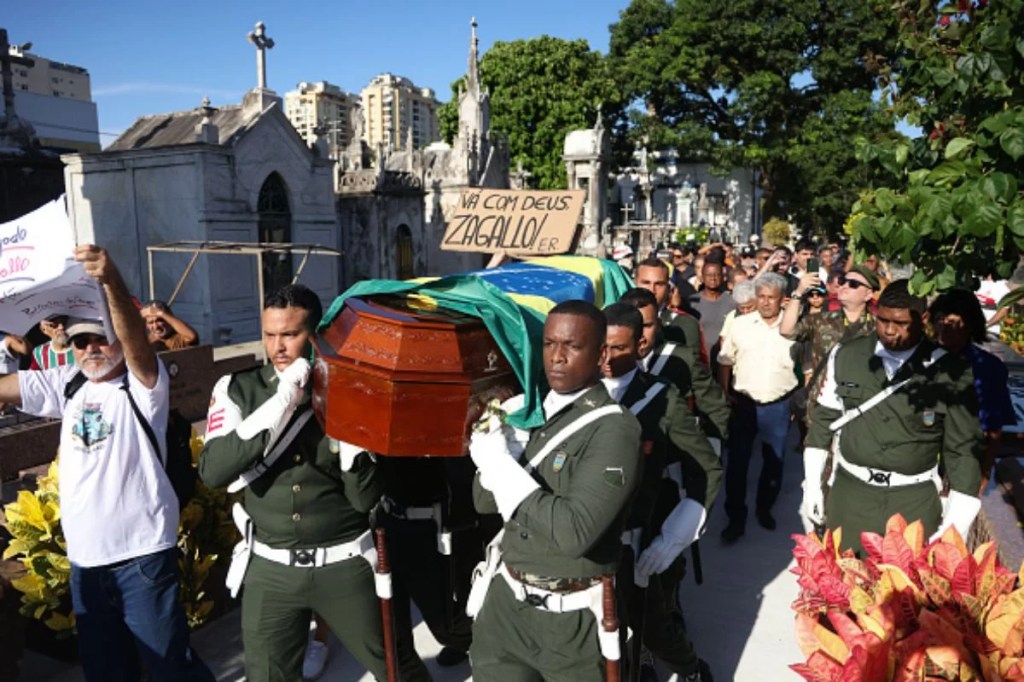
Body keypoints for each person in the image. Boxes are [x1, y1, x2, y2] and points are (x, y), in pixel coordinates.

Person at [0, 245, 215, 681]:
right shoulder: (70, 382)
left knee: (169, 667)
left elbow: (136, 344)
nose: (92, 348)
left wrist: (112, 281)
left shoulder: (142, 383)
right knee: (105, 671)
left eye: (102, 337)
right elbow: (7, 387)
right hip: (86, 564)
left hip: (141, 557)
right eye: (81, 340)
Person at [198, 284, 387, 681]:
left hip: (344, 562)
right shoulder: (237, 388)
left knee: (394, 666)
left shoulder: (352, 390)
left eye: (290, 334)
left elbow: (364, 498)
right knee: (267, 674)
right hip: (271, 567)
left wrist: (351, 434)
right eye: (270, 334)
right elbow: (214, 471)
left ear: (316, 334)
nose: (278, 346)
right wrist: (280, 402)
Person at [469, 300, 642, 681]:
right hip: (506, 607)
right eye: (549, 344)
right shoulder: (530, 412)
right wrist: (502, 442)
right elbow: (482, 502)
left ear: (600, 354)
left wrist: (499, 464)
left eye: (572, 346)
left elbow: (574, 532)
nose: (557, 357)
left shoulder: (614, 428)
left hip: (571, 620)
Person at [802, 281, 983, 556]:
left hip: (913, 504)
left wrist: (957, 522)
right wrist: (812, 485)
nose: (888, 330)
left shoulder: (951, 371)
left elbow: (962, 451)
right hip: (850, 497)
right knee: (843, 586)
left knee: (906, 592)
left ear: (923, 320)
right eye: (882, 320)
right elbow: (824, 422)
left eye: (900, 323)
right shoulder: (847, 355)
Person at [601, 303, 719, 682]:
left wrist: (675, 536)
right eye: (600, 346)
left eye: (618, 348)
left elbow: (705, 468)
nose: (605, 358)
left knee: (651, 624)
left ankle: (691, 668)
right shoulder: (575, 389)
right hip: (587, 538)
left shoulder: (660, 398)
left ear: (639, 346)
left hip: (637, 539)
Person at [375, 453, 480, 680]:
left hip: (429, 521)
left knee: (445, 624)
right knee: (392, 630)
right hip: (388, 518)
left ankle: (490, 644)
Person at [717, 272, 797, 542]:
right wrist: (726, 392)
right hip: (744, 404)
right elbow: (725, 360)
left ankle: (765, 508)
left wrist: (799, 401)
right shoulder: (740, 325)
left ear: (782, 300)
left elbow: (807, 365)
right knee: (737, 463)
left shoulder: (794, 327)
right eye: (760, 296)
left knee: (774, 462)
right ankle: (735, 517)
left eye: (770, 298)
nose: (764, 303)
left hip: (779, 405)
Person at [620, 287, 731, 445]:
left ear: (658, 325)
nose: (641, 336)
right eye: (634, 326)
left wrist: (710, 450)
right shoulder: (604, 361)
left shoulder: (681, 358)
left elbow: (716, 407)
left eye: (647, 326)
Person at [929, 289, 1015, 491]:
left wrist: (984, 474)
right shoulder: (920, 359)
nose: (944, 328)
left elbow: (993, 429)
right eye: (940, 320)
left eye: (953, 322)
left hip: (960, 469)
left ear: (970, 324)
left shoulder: (988, 368)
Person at [781, 264, 878, 422]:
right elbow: (787, 330)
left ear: (868, 294)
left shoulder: (878, 328)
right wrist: (798, 293)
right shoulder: (822, 320)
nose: (844, 286)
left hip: (860, 413)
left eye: (853, 284)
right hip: (820, 412)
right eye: (843, 281)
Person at [634, 257, 707, 368]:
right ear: (635, 283)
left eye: (659, 284)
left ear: (668, 288)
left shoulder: (685, 324)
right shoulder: (616, 318)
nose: (652, 290)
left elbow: (695, 371)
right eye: (646, 282)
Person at [689, 260, 736, 370]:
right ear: (702, 277)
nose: (713, 278)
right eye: (709, 275)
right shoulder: (692, 302)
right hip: (700, 362)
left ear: (723, 277)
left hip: (726, 363)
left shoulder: (732, 302)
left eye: (717, 275)